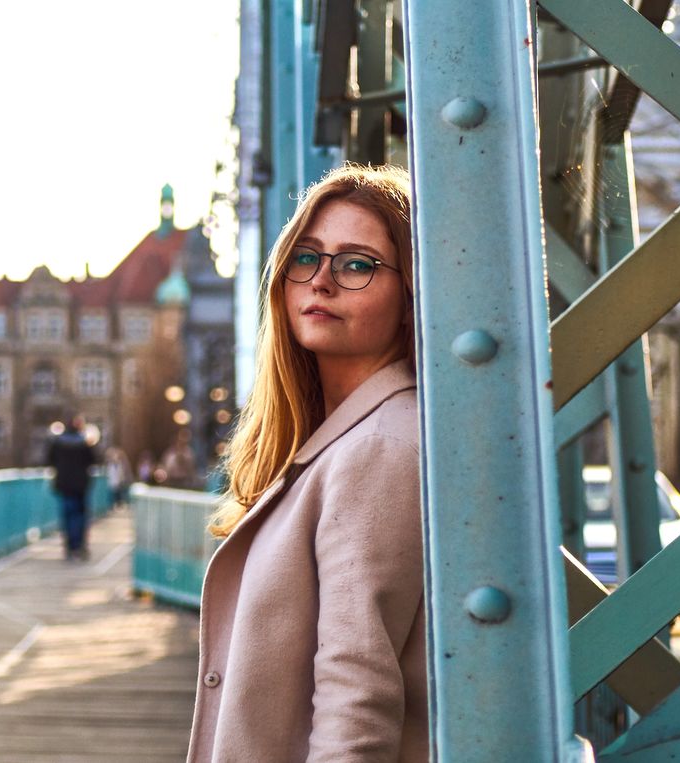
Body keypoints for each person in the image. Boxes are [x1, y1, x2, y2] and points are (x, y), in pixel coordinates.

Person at [187, 164, 425, 761]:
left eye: (356, 264)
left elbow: (356, 698)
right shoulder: (342, 437)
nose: (320, 281)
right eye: (306, 257)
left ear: (409, 297)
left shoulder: (382, 448)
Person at [46, 415, 96, 561]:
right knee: (80, 516)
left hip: (65, 484)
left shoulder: (58, 442)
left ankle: (70, 546)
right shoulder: (84, 442)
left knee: (68, 515)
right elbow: (92, 460)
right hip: (81, 485)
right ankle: (79, 546)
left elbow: (50, 460)